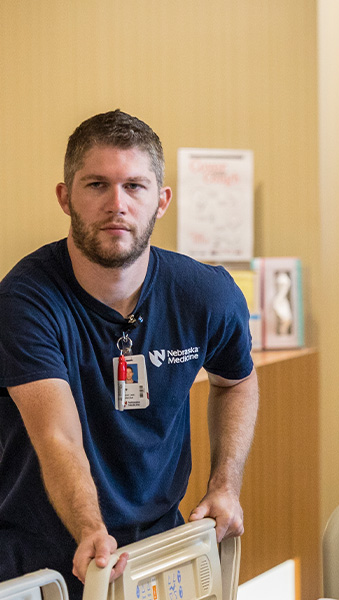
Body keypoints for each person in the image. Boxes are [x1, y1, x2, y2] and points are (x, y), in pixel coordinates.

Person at [0, 110, 258, 599]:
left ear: (161, 201)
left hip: (161, 551)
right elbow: (56, 433)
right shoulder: (24, 302)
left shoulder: (205, 294)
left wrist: (225, 483)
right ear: (65, 197)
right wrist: (90, 529)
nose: (116, 204)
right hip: (44, 558)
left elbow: (236, 379)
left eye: (135, 186)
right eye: (97, 184)